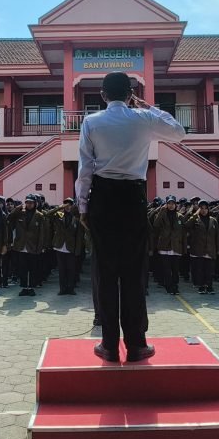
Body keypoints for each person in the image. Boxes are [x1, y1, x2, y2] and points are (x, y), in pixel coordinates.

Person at [76, 71, 186, 362]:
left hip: (102, 197)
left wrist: (83, 206)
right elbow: (178, 132)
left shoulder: (91, 122)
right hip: (133, 197)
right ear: (130, 94)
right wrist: (150, 107)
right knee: (135, 271)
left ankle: (109, 345)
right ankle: (137, 344)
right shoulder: (143, 118)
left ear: (102, 95)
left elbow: (85, 169)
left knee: (105, 271)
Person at [7, 194, 46, 297]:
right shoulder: (20, 213)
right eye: (27, 202)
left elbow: (42, 233)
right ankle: (24, 287)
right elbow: (9, 217)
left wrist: (40, 247)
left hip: (33, 246)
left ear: (35, 203)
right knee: (22, 268)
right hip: (21, 245)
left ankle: (31, 287)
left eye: (31, 202)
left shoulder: (39, 215)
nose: (29, 204)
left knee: (33, 268)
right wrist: (18, 207)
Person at [48, 197, 84, 296]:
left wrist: (78, 249)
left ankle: (70, 288)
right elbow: (47, 215)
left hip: (71, 247)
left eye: (70, 204)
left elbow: (79, 236)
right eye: (66, 204)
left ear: (73, 206)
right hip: (60, 246)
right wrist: (59, 208)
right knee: (62, 269)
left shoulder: (76, 218)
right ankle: (62, 289)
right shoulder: (58, 215)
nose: (68, 206)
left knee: (71, 269)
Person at [186, 200, 219, 294]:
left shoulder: (213, 220)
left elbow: (217, 235)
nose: (204, 210)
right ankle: (201, 286)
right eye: (201, 208)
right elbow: (187, 225)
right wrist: (195, 214)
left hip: (210, 249)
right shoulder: (195, 219)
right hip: (198, 249)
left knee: (209, 270)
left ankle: (209, 286)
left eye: (205, 208)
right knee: (200, 269)